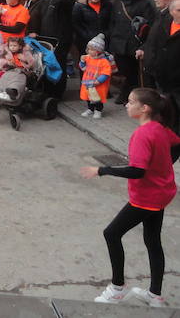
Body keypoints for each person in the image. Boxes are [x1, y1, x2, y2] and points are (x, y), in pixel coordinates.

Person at [81, 88, 180, 308]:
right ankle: (155, 295)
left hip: (147, 197)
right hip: (162, 193)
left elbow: (137, 170)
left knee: (111, 233)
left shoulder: (143, 134)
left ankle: (117, 288)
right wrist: (163, 167)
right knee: (152, 241)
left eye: (131, 101)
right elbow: (176, 142)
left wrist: (102, 170)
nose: (126, 105)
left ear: (144, 108)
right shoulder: (160, 128)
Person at [79, 34, 112, 120]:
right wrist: (82, 61)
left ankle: (98, 110)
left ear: (98, 51)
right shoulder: (88, 58)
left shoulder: (104, 61)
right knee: (88, 97)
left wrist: (99, 81)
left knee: (97, 98)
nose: (89, 51)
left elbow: (106, 73)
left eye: (92, 49)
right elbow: (83, 68)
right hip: (88, 82)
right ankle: (90, 109)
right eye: (89, 49)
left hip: (98, 84)